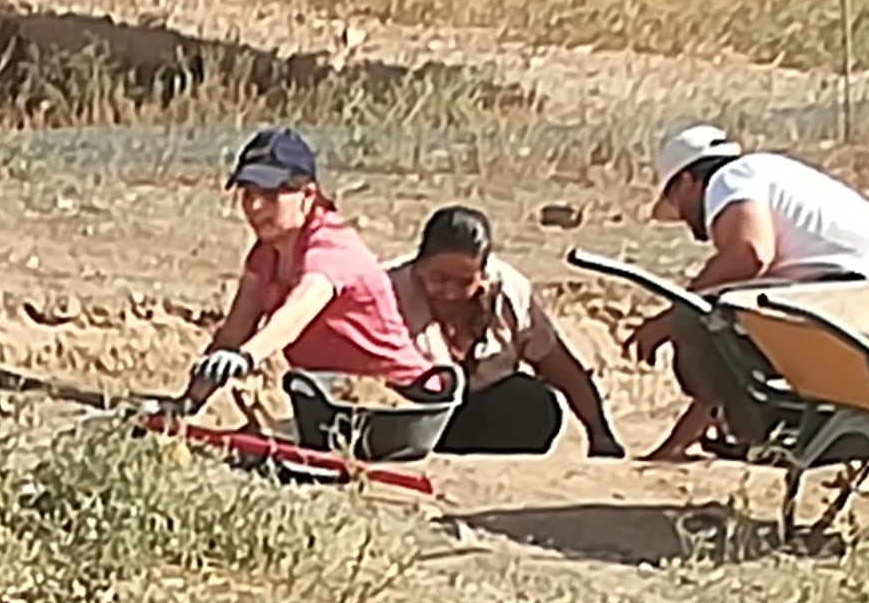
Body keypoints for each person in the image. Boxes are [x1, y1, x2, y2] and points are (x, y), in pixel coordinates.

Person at [631, 124, 869, 461]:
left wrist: (673, 314)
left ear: (687, 182)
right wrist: (674, 446)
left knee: (704, 317)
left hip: (854, 293)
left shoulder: (731, 179)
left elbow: (750, 254)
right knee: (728, 321)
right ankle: (749, 427)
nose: (684, 219)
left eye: (677, 204)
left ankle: (761, 427)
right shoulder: (769, 178)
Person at [180, 126, 459, 462]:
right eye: (247, 193)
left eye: (271, 195)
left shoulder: (332, 247)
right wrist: (189, 402)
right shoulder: (265, 254)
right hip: (332, 402)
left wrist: (247, 357)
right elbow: (235, 330)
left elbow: (299, 309)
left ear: (308, 195)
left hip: (400, 407)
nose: (254, 207)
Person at [391, 206, 625, 457]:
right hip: (412, 414)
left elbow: (557, 364)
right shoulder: (388, 290)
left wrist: (599, 432)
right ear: (419, 266)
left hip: (480, 412)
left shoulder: (510, 291)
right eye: (437, 279)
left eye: (464, 282)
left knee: (536, 405)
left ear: (482, 275)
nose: (450, 293)